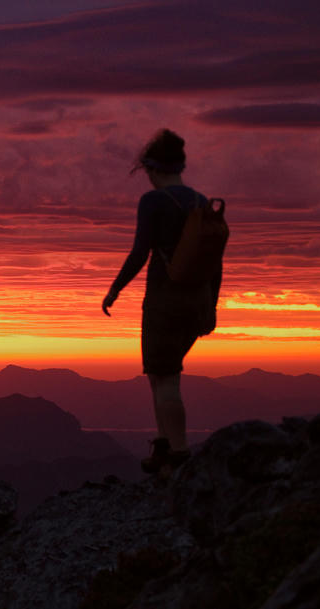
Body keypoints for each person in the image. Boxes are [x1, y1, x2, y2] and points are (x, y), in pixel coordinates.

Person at [101, 129, 221, 474]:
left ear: (153, 169)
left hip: (165, 302)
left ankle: (178, 456)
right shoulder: (202, 201)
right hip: (197, 300)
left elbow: (141, 252)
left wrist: (115, 289)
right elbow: (215, 259)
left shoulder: (153, 202)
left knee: (165, 377)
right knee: (162, 374)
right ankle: (165, 445)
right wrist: (211, 303)